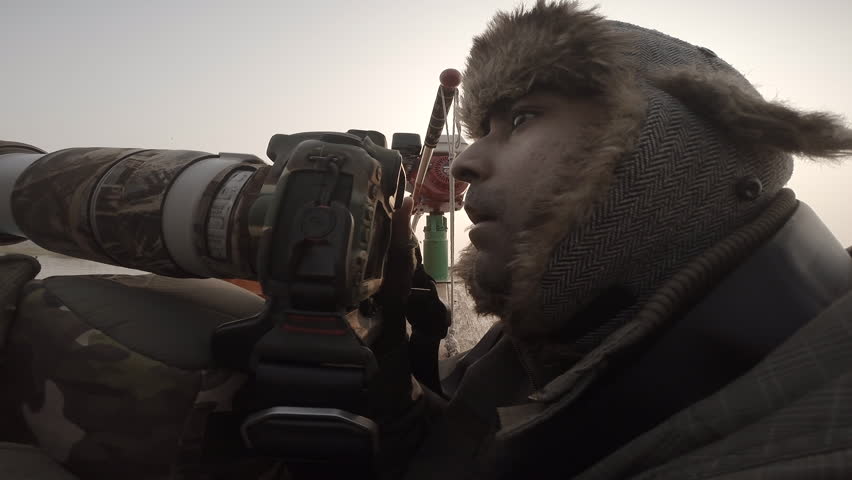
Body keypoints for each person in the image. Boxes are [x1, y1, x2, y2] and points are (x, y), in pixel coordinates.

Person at [370, 1, 852, 479]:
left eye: (521, 119)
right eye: (481, 131)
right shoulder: (562, 328)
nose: (463, 164)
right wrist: (383, 371)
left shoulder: (807, 447)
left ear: (662, 144)